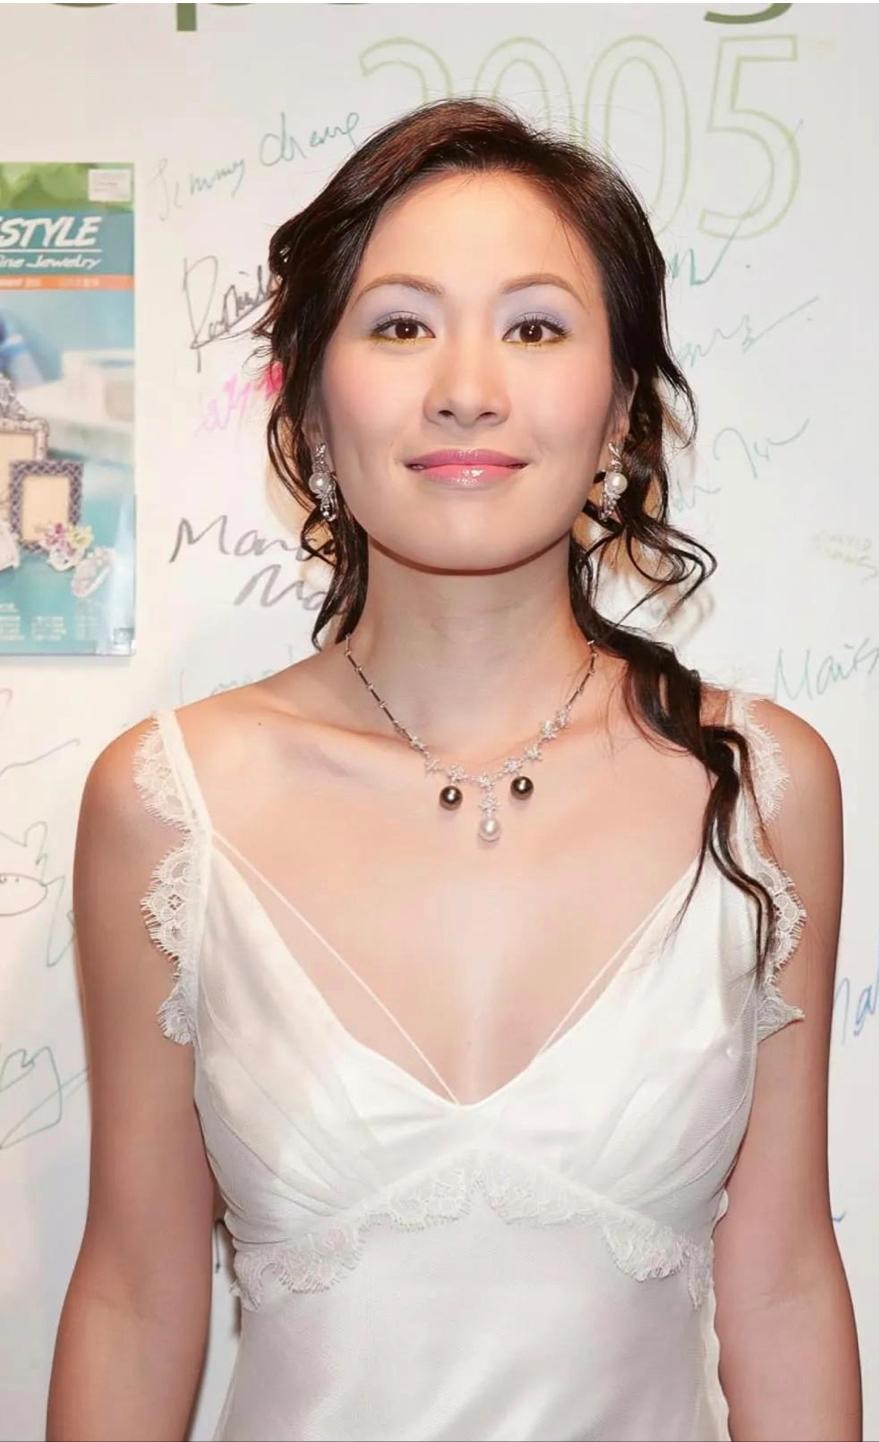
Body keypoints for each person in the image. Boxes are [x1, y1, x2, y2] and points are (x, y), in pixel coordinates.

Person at [46, 96, 860, 1442]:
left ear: (622, 407)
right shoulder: (166, 804)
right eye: (400, 325)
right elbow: (136, 1296)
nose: (467, 386)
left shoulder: (764, 789)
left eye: (534, 326)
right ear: (312, 404)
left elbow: (780, 1285)